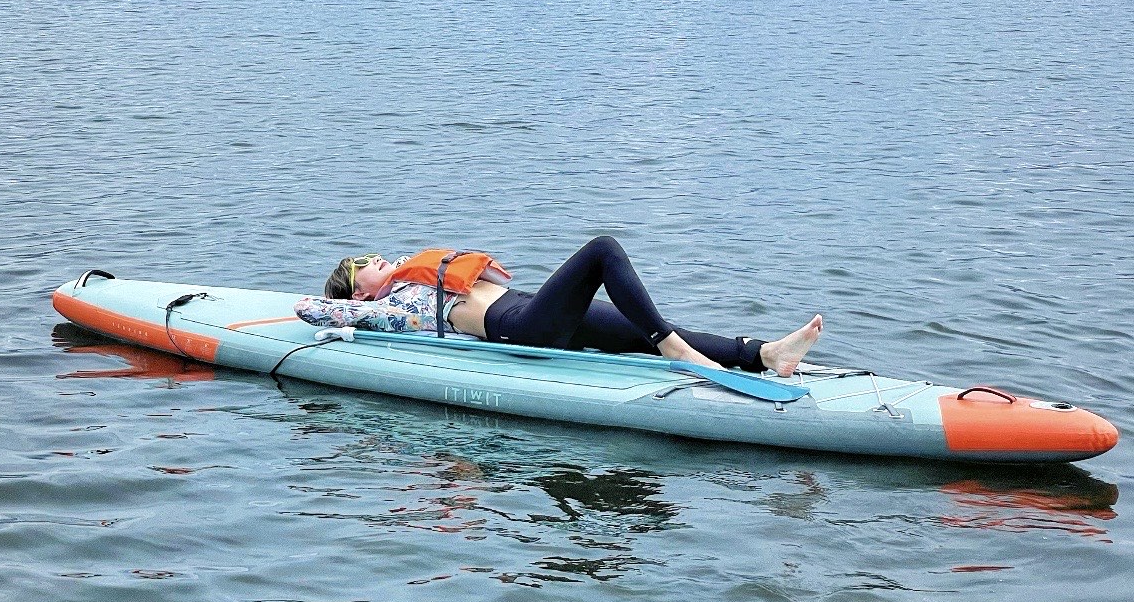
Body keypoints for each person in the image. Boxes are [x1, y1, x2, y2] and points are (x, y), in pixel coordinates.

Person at [304, 235, 823, 376]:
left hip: (529, 308)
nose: (376, 259)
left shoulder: (409, 276)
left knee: (649, 323)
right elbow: (317, 311)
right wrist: (331, 305)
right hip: (520, 328)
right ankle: (677, 354)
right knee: (601, 252)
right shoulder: (390, 306)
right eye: (363, 264)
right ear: (360, 293)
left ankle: (764, 355)